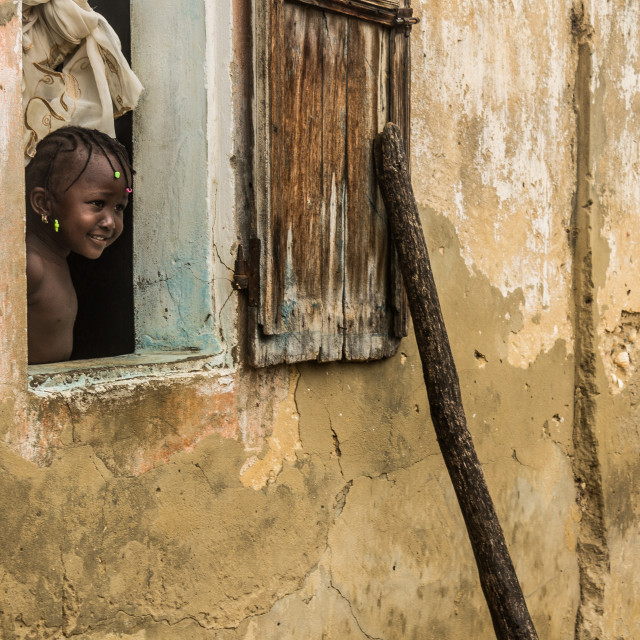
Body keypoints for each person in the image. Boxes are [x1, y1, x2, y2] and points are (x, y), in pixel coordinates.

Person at [25, 126, 133, 365]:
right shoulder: (29, 265)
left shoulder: (55, 259)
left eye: (119, 207)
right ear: (43, 203)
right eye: (97, 202)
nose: (109, 222)